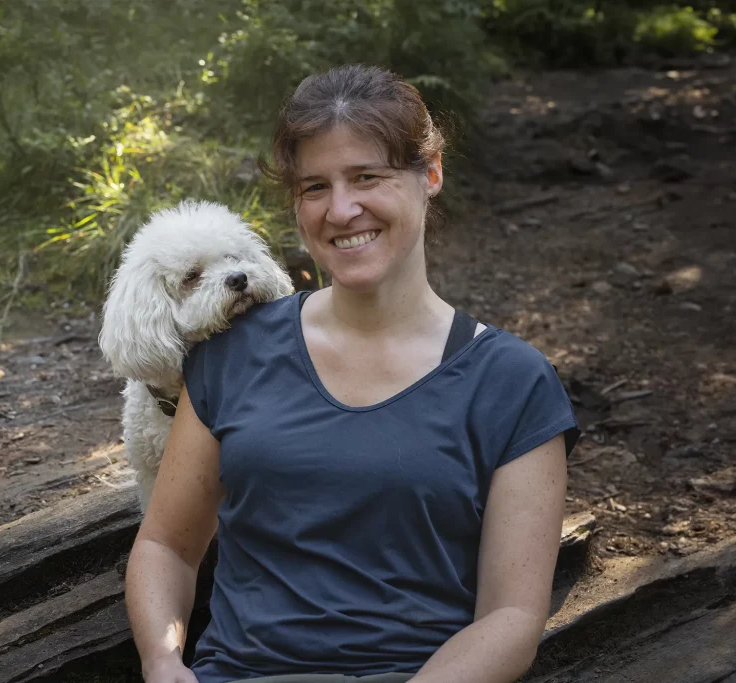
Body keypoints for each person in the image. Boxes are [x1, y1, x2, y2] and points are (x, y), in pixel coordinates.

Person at [123, 64, 581, 683]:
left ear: (431, 174)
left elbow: (510, 617)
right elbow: (167, 547)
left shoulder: (512, 383)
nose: (342, 210)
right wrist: (162, 658)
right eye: (315, 187)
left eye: (368, 177)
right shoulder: (233, 353)